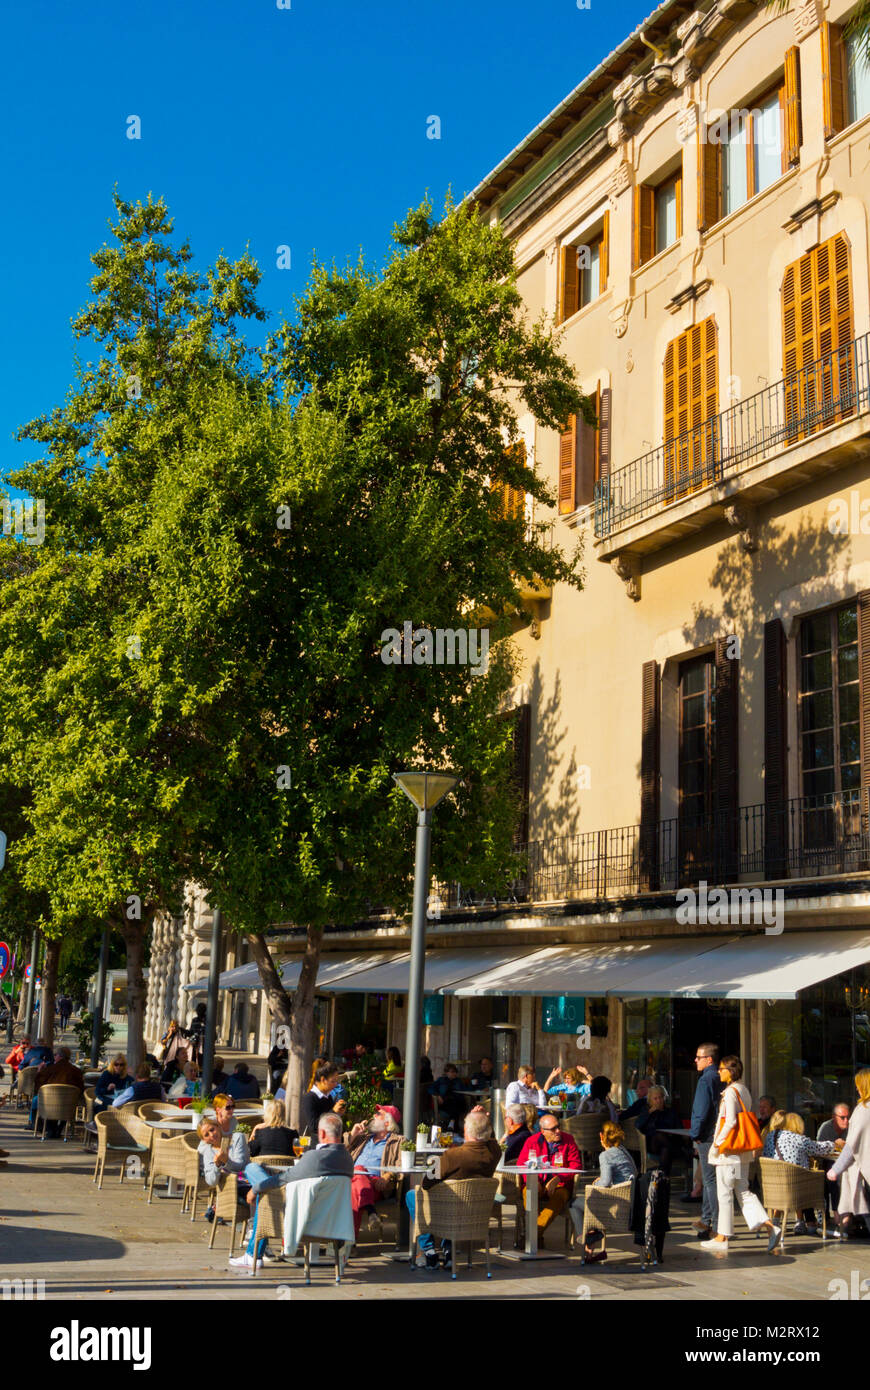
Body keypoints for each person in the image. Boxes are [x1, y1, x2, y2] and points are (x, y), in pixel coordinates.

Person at [240, 1113, 354, 1270]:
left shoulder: (315, 1157)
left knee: (254, 1172)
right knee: (265, 1188)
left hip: (299, 1215)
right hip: (331, 1219)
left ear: (321, 1133)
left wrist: (255, 1189)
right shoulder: (347, 1159)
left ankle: (253, 1255)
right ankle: (253, 1253)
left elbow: (284, 1178)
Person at [699, 1054, 780, 1254]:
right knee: (743, 1191)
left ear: (731, 1071)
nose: (719, 1072)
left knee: (725, 1193)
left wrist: (717, 1144)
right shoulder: (743, 1090)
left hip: (729, 1152)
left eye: (722, 1069)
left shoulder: (730, 1093)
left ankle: (722, 1236)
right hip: (741, 1152)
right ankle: (769, 1227)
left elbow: (730, 1121)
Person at [405, 1109, 501, 1270]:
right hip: (475, 1212)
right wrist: (486, 1120)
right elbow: (493, 1142)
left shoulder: (453, 1155)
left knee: (412, 1195)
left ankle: (428, 1250)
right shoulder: (494, 1153)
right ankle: (448, 1249)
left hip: (448, 1212)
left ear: (466, 1130)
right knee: (448, 1200)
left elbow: (427, 1183)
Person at [761, 1111, 842, 1236]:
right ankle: (810, 1222)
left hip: (773, 1186)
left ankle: (779, 1222)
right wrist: (835, 1144)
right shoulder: (798, 1139)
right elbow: (818, 1148)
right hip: (796, 1187)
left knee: (796, 1176)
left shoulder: (771, 1136)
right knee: (815, 1178)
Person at [568, 1120, 637, 1249]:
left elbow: (604, 1183)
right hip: (631, 1205)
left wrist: (596, 1183)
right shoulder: (623, 1151)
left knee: (574, 1203)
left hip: (615, 1209)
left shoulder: (605, 1155)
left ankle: (585, 1237)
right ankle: (591, 1238)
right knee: (591, 1201)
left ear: (601, 1136)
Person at [517, 1110, 582, 1242]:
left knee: (560, 1197)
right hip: (537, 1182)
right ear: (543, 1131)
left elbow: (576, 1165)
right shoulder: (532, 1141)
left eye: (559, 1127)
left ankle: (531, 1237)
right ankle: (536, 1237)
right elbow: (521, 1165)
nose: (558, 1131)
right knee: (529, 1192)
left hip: (561, 1186)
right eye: (553, 1129)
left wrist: (559, 1178)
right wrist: (532, 1180)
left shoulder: (568, 1140)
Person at [345, 1104, 402, 1239]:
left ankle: (349, 1243)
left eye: (378, 1114)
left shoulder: (397, 1141)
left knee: (357, 1175)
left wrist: (388, 1175)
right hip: (351, 1180)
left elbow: (402, 1163)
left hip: (377, 1184)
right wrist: (353, 1134)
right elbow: (338, 1152)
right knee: (357, 1182)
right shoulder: (362, 1138)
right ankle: (371, 1212)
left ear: (387, 1122)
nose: (373, 1116)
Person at [826, 1068, 870, 1239]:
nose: (857, 1089)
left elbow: (851, 1146)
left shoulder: (862, 1110)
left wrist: (835, 1169)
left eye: (858, 1086)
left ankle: (845, 1223)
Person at [688, 1041, 723, 1237]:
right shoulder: (720, 1077)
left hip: (707, 1136)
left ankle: (713, 1224)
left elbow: (702, 1110)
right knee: (713, 1180)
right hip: (717, 1135)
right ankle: (707, 1219)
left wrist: (696, 1135)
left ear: (709, 1059)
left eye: (699, 1057)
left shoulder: (705, 1079)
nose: (695, 1060)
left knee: (710, 1181)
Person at [28, 1046, 85, 1135]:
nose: (54, 1057)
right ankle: (59, 1128)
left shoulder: (51, 1069)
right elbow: (81, 1087)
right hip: (69, 1103)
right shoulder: (76, 1071)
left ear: (60, 1056)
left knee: (36, 1100)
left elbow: (38, 1084)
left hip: (49, 1102)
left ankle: (39, 1126)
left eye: (55, 1055)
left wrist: (39, 1071)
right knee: (65, 1106)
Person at [635, 1085, 686, 1176]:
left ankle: (663, 1178)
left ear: (664, 1098)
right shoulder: (646, 1111)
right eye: (655, 1098)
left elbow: (680, 1129)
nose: (659, 1101)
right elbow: (638, 1125)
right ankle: (684, 1151)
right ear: (650, 1100)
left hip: (669, 1143)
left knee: (666, 1150)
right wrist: (650, 1112)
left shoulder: (671, 1112)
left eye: (660, 1097)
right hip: (652, 1144)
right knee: (659, 1135)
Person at [817, 1102, 851, 1223]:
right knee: (831, 1178)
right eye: (842, 1117)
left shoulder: (852, 1128)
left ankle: (846, 1215)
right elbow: (818, 1149)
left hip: (848, 1166)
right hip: (828, 1164)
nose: (846, 1121)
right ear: (834, 1117)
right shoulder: (826, 1127)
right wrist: (834, 1145)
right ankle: (835, 1214)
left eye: (848, 1117)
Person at [301, 1063, 345, 1137]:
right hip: (317, 1145)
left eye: (336, 1081)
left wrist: (338, 1113)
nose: (335, 1085)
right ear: (323, 1080)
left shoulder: (329, 1097)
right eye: (333, 1081)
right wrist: (333, 1112)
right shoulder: (310, 1098)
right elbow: (314, 1127)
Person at [428, 1063, 467, 1129]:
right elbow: (431, 1088)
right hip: (444, 1102)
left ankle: (451, 1124)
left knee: (457, 1104)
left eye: (455, 1072)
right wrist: (438, 1095)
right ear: (446, 1072)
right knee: (452, 1105)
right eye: (452, 1072)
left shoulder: (458, 1081)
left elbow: (465, 1089)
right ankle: (453, 1126)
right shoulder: (441, 1080)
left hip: (457, 1101)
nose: (454, 1074)